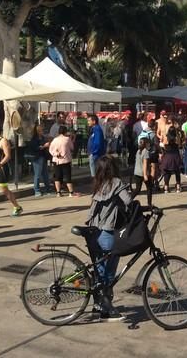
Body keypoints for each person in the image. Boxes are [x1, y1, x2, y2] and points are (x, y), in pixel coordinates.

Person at [85, 156, 133, 322]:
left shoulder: (98, 183)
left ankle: (97, 307)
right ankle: (106, 309)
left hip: (94, 233)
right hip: (107, 232)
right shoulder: (116, 183)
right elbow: (129, 202)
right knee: (108, 274)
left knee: (99, 273)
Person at [49, 125, 76, 197]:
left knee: (57, 176)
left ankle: (58, 192)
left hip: (56, 160)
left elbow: (50, 150)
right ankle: (71, 192)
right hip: (66, 160)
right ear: (65, 132)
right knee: (68, 176)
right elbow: (72, 147)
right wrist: (73, 139)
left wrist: (56, 154)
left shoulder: (54, 140)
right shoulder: (67, 139)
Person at [27, 123, 51, 195]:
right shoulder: (34, 139)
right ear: (37, 131)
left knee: (45, 174)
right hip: (37, 157)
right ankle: (37, 190)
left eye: (42, 130)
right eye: (41, 130)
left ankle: (47, 188)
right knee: (37, 174)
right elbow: (35, 148)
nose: (42, 131)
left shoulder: (43, 138)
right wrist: (44, 146)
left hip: (43, 156)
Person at [132, 135, 152, 206]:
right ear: (146, 144)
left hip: (137, 172)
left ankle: (128, 199)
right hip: (143, 173)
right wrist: (145, 175)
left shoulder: (138, 151)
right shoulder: (146, 152)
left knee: (137, 190)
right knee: (149, 189)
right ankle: (149, 204)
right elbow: (145, 164)